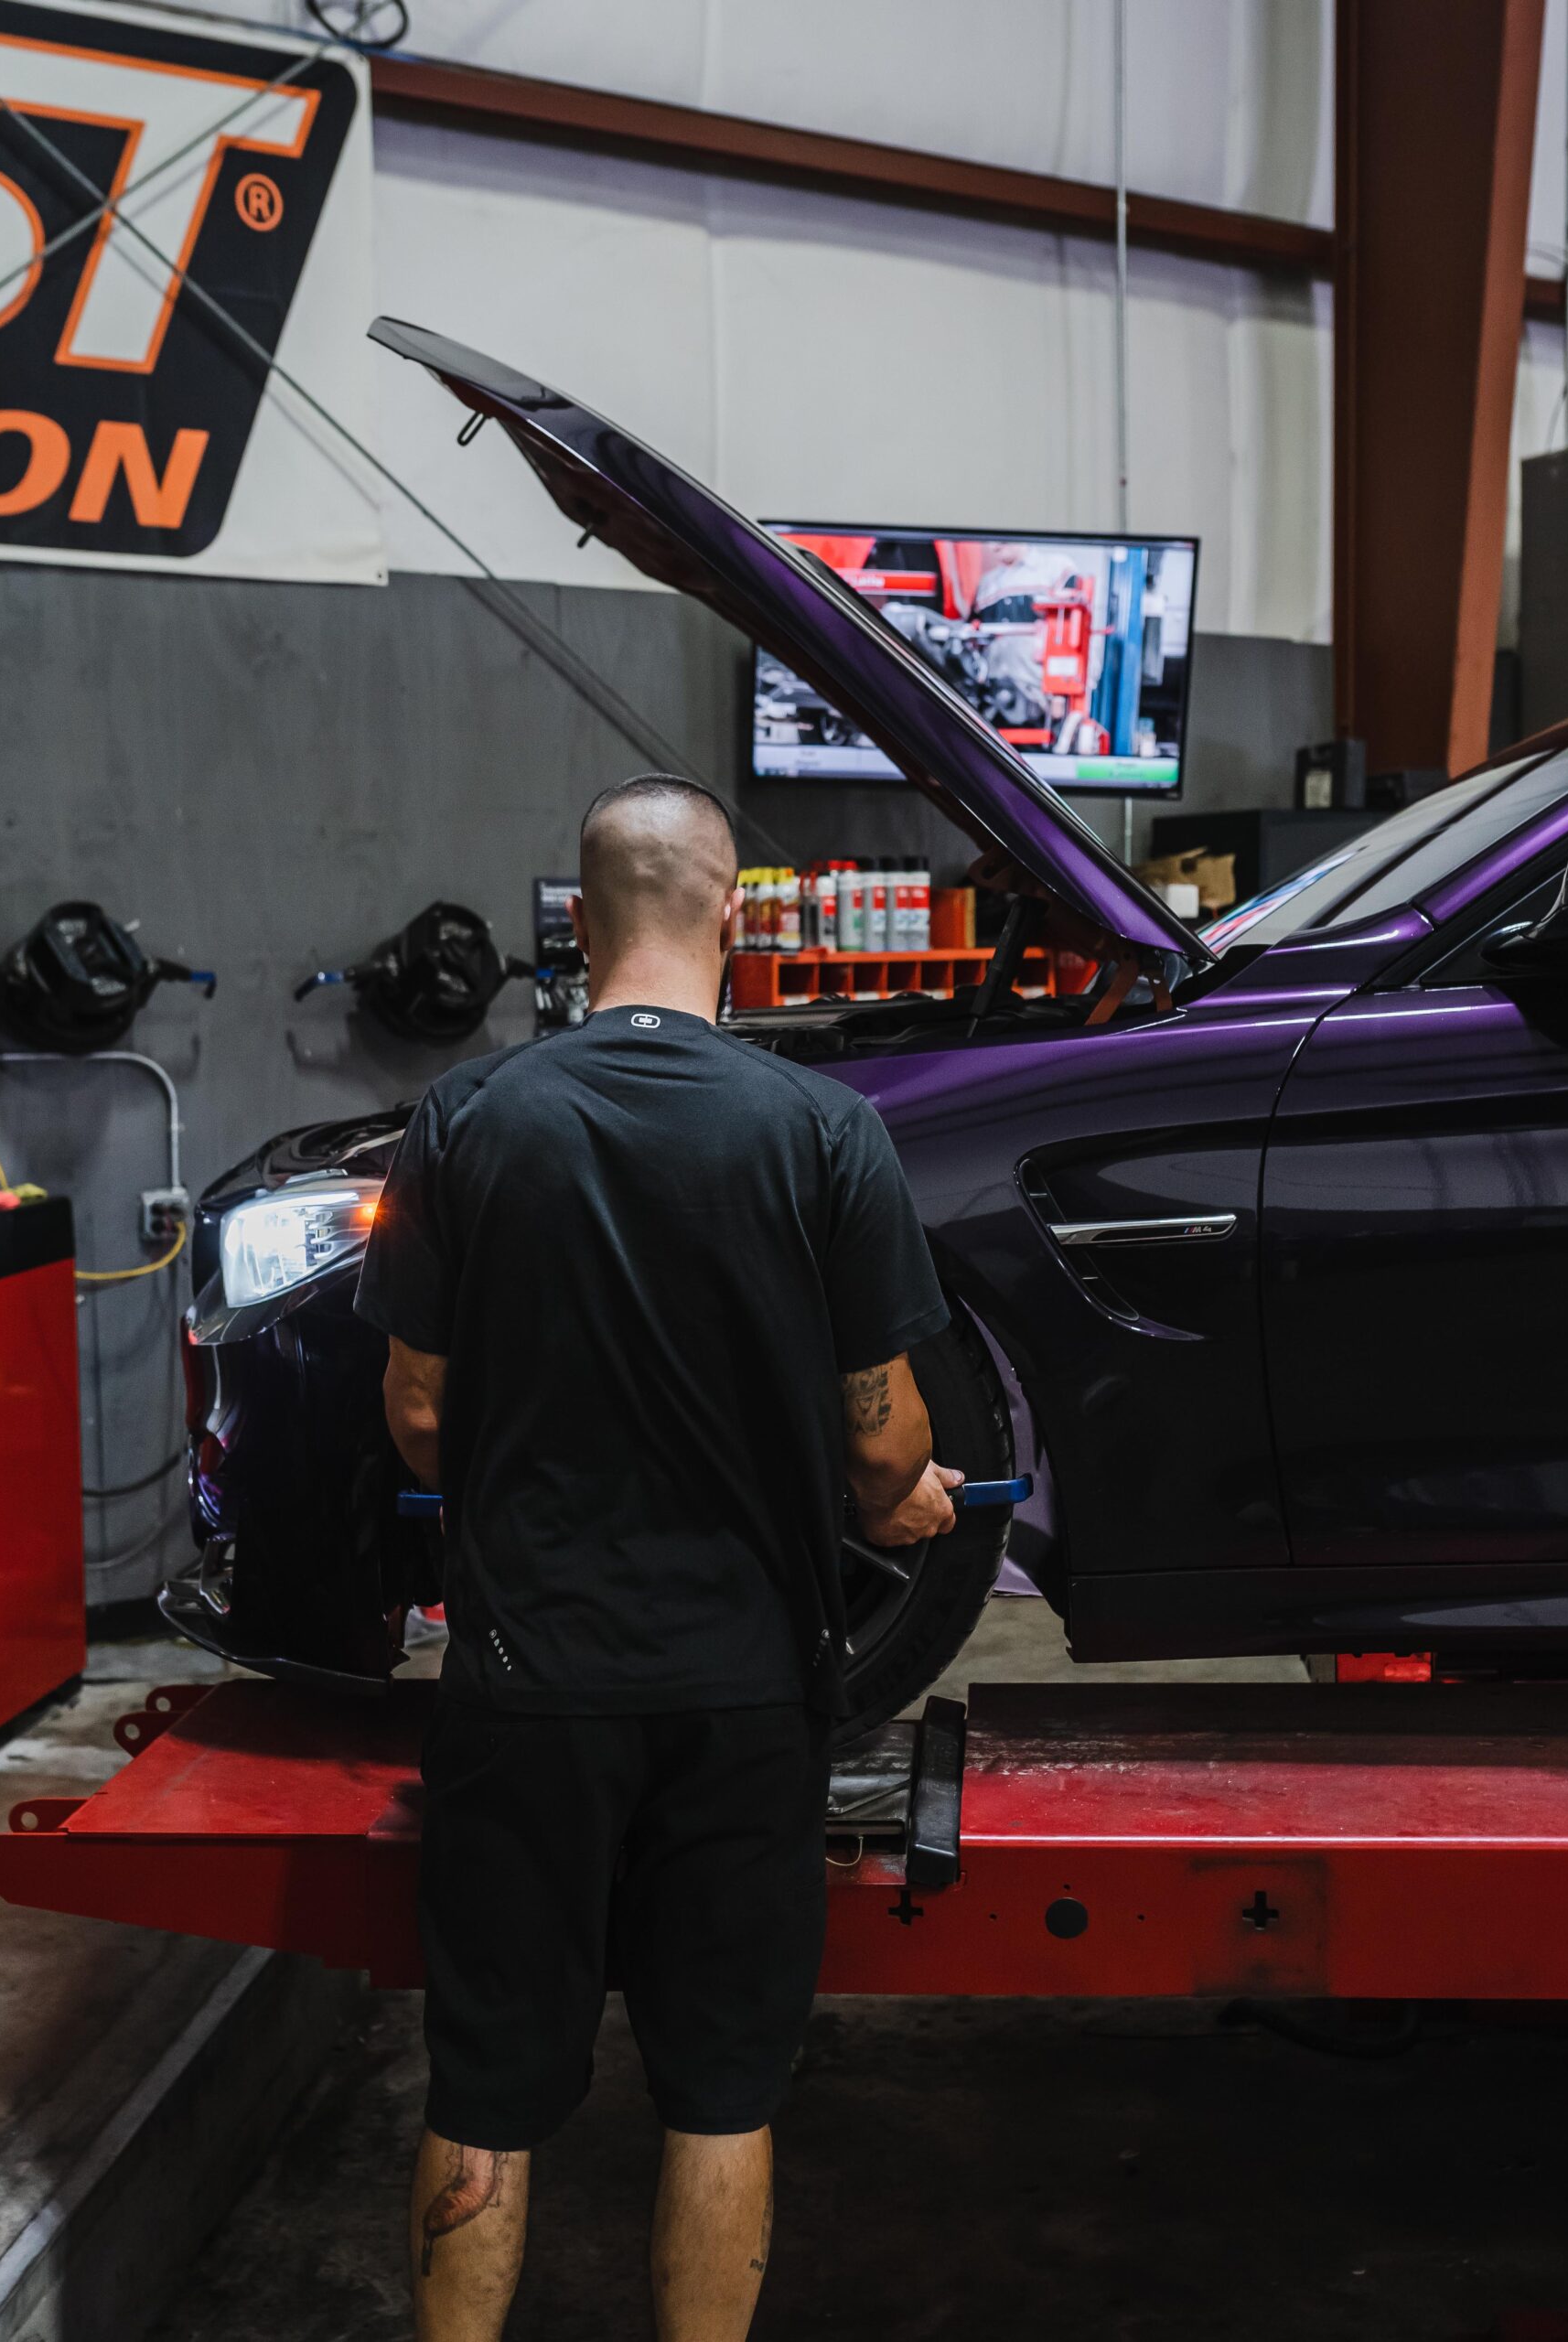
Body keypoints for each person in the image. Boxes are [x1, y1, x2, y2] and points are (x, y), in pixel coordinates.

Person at [355, 772, 961, 2342]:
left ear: (579, 918)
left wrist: (521, 1479)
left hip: (523, 1682)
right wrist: (894, 1498)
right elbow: (885, 1444)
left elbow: (414, 1412)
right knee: (720, 2093)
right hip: (745, 1693)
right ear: (735, 916)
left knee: (484, 2089)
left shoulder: (466, 1119)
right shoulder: (824, 1131)